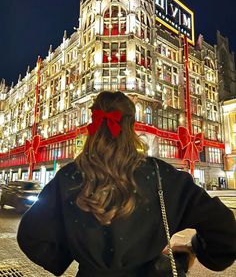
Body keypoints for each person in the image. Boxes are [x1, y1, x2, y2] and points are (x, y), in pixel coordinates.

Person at [17, 91, 236, 277]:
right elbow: (225, 231)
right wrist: (193, 249)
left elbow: (31, 236)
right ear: (132, 125)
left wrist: (69, 254)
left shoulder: (69, 177)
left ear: (92, 124)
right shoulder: (161, 174)